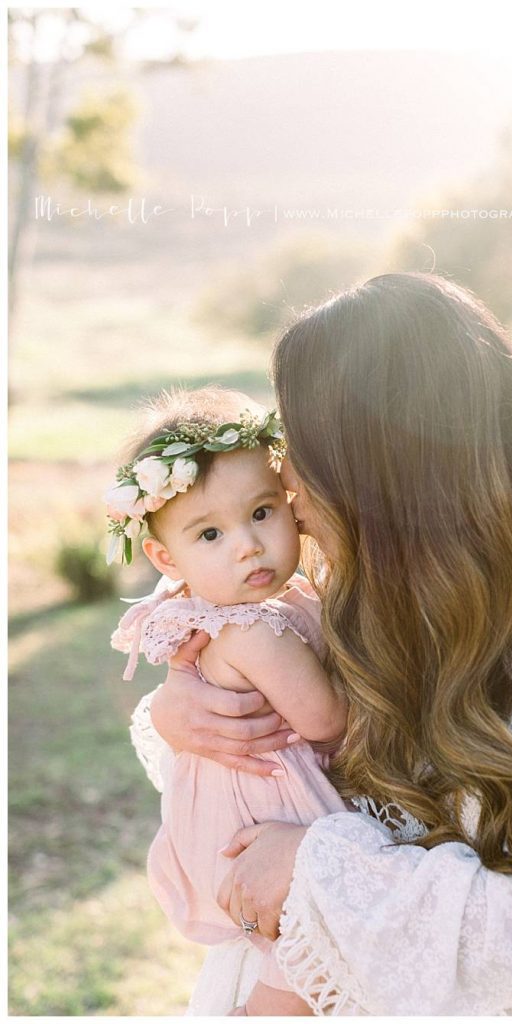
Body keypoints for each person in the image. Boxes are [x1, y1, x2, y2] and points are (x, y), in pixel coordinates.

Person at [131, 273, 512, 1015]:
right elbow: (289, 742)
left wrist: (315, 869)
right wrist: (187, 710)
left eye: (302, 439)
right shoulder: (381, 574)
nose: (286, 476)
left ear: (378, 456)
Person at [107, 386, 349, 1017]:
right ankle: (266, 1007)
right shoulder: (250, 630)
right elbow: (327, 719)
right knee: (300, 926)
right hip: (262, 809)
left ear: (290, 505)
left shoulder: (256, 607)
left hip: (237, 801)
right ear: (166, 558)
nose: (247, 545)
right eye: (210, 533)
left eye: (262, 514)